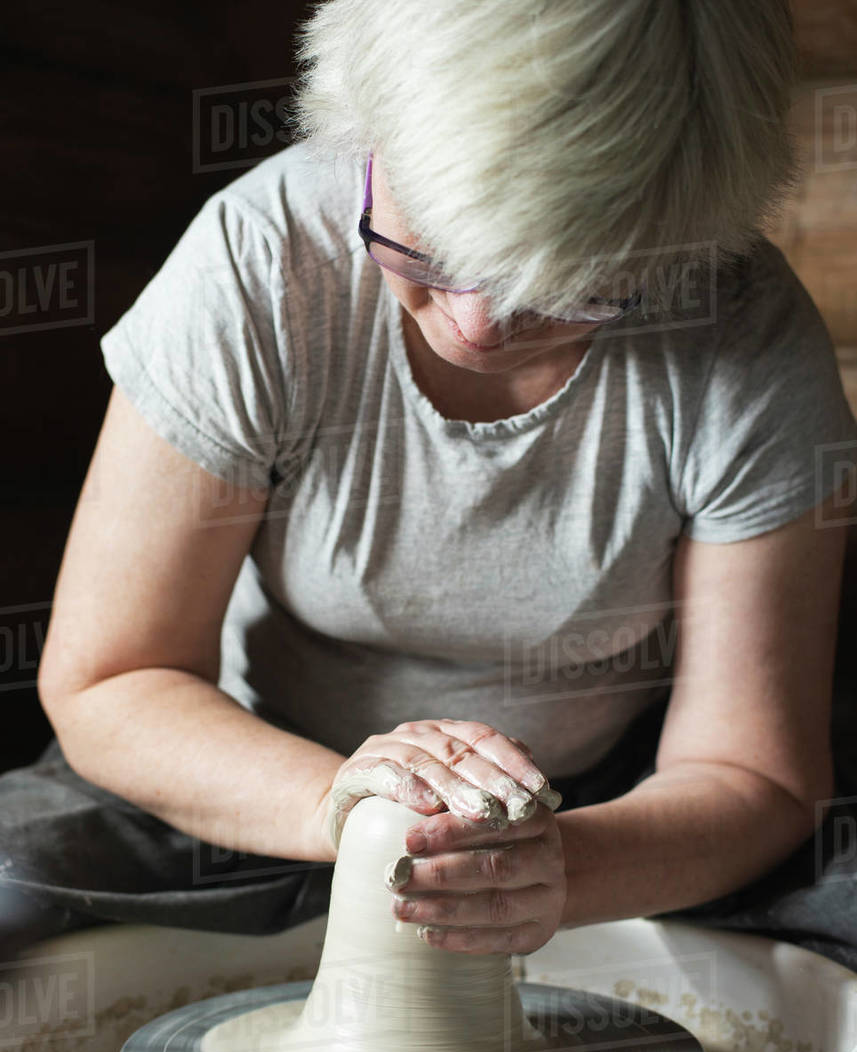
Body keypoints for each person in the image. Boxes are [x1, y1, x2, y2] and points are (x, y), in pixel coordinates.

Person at [2, 0, 857, 971]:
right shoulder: (261, 260)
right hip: (249, 780)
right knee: (7, 887)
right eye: (432, 248)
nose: (478, 324)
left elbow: (754, 774)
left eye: (565, 285)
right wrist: (348, 811)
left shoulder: (741, 333)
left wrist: (553, 871)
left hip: (606, 807)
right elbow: (110, 680)